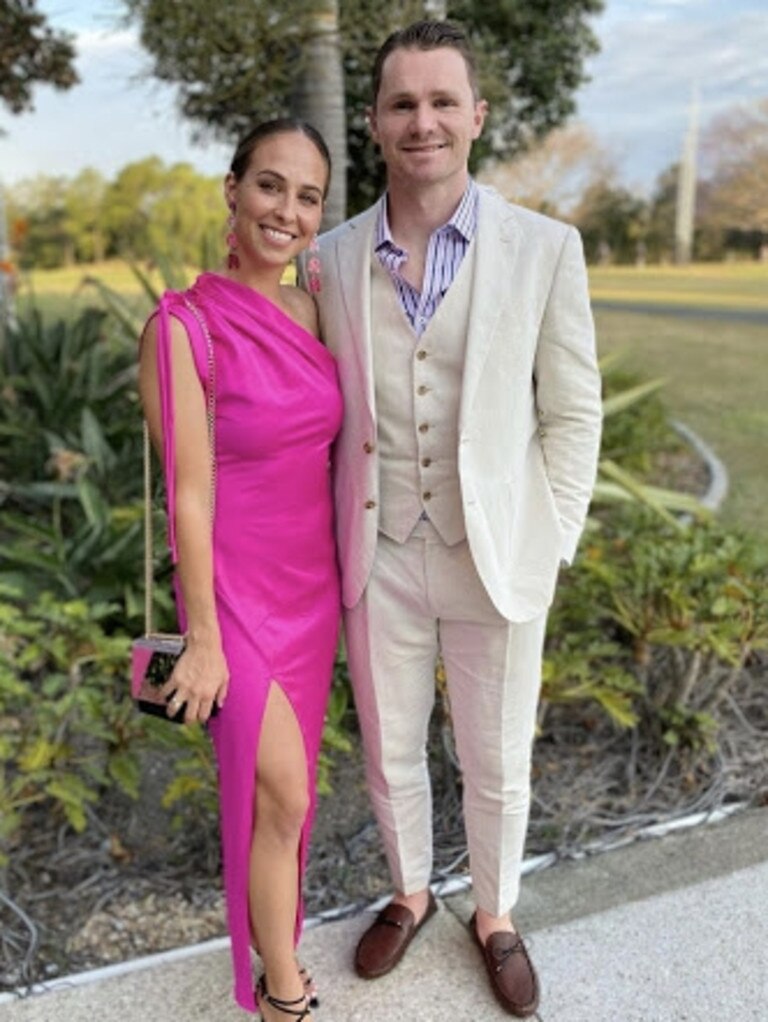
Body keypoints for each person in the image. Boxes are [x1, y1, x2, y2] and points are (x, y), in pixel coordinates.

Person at [305, 20, 602, 1019]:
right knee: (389, 745)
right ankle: (412, 890)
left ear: (475, 116)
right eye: (402, 103)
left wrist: (551, 535)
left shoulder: (544, 249)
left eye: (442, 101)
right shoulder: (332, 258)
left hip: (498, 552)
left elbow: (572, 410)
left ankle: (497, 911)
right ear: (376, 121)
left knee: (496, 752)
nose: (422, 120)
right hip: (379, 546)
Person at [138, 119, 341, 1021]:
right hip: (236, 601)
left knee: (285, 804)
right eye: (270, 186)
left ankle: (279, 960)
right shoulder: (181, 325)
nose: (286, 211)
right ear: (231, 191)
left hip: (315, 590)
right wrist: (207, 641)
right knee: (285, 793)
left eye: (307, 197)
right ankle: (282, 992)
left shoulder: (313, 307)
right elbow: (188, 493)